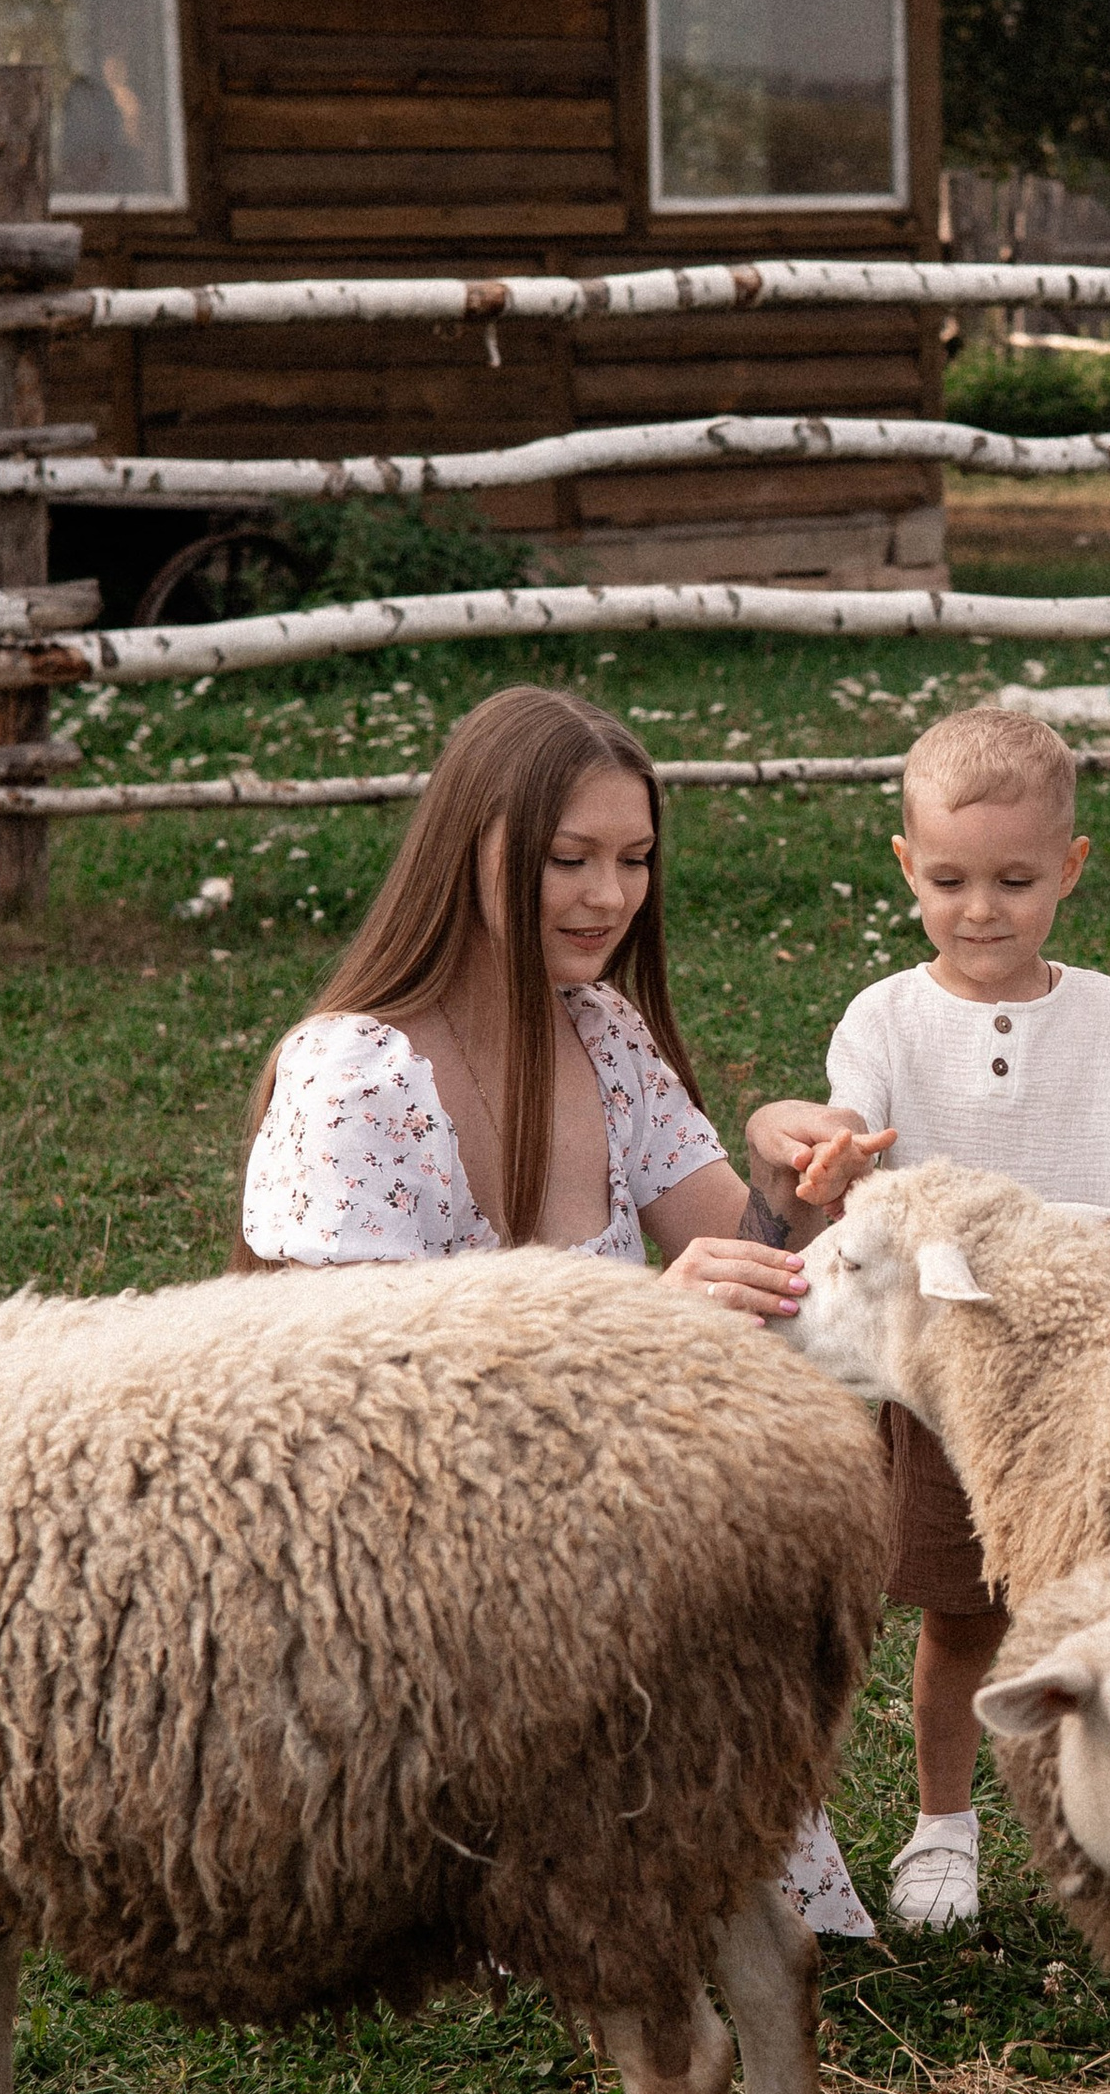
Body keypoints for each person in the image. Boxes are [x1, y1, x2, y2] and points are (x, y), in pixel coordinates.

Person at [237, 680, 890, 1933]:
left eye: (634, 860)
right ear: (470, 847)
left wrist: (781, 1183)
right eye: (568, 859)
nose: (608, 897)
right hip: (423, 1554)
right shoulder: (354, 1068)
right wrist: (640, 1326)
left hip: (597, 1523)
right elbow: (345, 1392)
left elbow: (742, 1263)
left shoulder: (601, 1030)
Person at [802, 706, 1110, 1929]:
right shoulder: (885, 1019)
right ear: (905, 867)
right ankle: (943, 1824)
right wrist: (829, 1157)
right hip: (952, 1381)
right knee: (965, 1620)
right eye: (951, 880)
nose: (983, 910)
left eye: (1017, 882)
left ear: (1069, 870)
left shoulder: (1107, 1015)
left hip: (1098, 1365)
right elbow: (848, 1138)